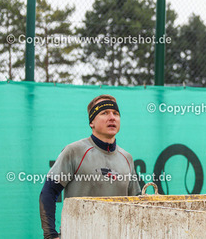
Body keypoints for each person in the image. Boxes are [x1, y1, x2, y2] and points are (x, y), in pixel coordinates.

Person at [39, 95, 140, 238]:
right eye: (104, 113)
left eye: (115, 113)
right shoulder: (74, 151)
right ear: (92, 122)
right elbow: (49, 192)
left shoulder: (127, 158)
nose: (112, 117)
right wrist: (50, 235)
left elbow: (136, 203)